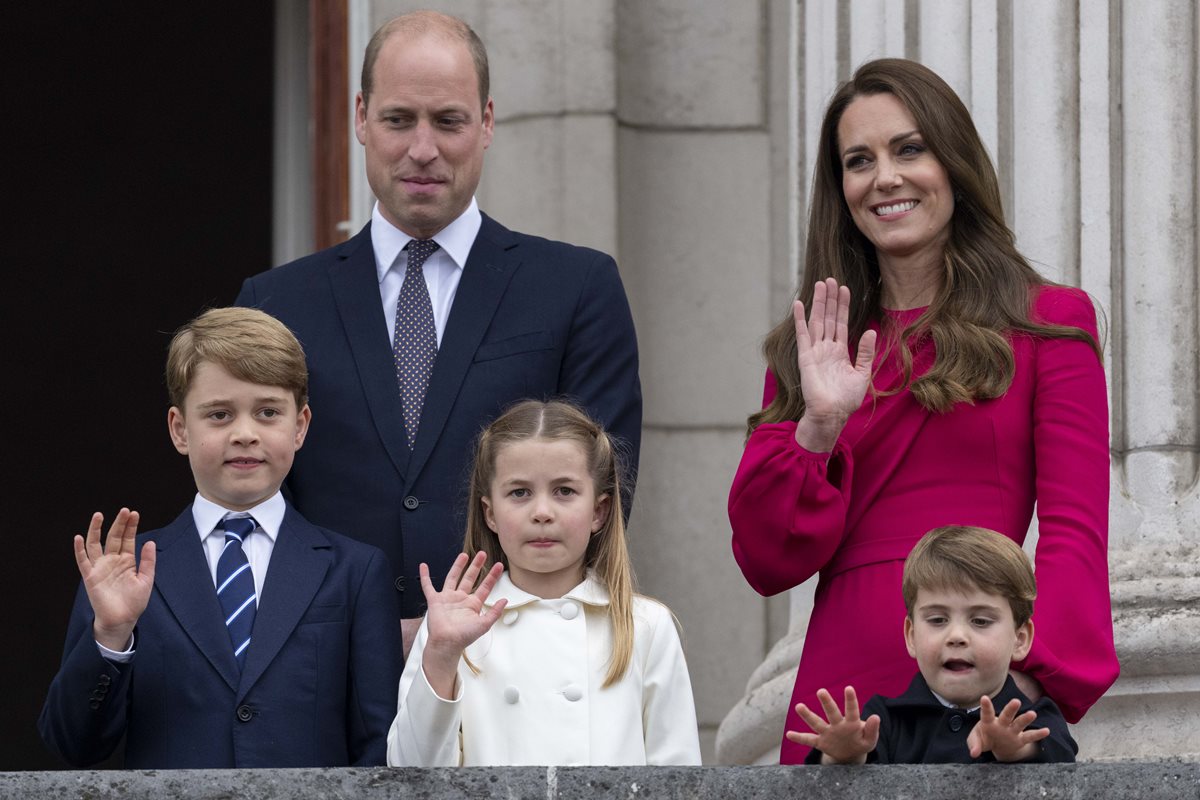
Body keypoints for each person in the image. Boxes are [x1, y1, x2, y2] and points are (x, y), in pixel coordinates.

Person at [727, 58, 1118, 764]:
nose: (885, 178)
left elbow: (1074, 532)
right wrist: (818, 427)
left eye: (909, 149)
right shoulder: (813, 345)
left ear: (953, 162)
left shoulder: (1048, 321)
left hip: (979, 694)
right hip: (841, 697)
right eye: (859, 161)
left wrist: (1026, 681)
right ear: (840, 188)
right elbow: (764, 558)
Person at [235, 11, 641, 658]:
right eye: (399, 120)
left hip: (514, 674)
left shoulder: (576, 289)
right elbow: (252, 507)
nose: (422, 148)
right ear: (361, 118)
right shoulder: (276, 304)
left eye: (447, 121)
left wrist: (459, 634)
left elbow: (598, 498)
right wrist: (361, 636)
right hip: (329, 686)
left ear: (485, 122)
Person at [38, 308, 401, 768]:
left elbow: (380, 748)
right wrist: (111, 636)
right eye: (219, 414)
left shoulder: (355, 571)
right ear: (179, 429)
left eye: (268, 412)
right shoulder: (124, 572)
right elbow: (72, 746)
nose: (244, 434)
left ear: (301, 426)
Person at [387, 400, 700, 766]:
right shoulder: (452, 627)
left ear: (598, 511)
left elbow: (678, 777)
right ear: (490, 513)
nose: (541, 512)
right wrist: (440, 657)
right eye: (519, 492)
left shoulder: (645, 625)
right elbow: (411, 773)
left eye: (564, 491)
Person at [789, 526, 1077, 764]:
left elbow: (1061, 760)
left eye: (980, 621)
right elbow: (848, 782)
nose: (957, 636)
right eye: (938, 620)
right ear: (911, 636)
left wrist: (1015, 748)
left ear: (1020, 639)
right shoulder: (886, 718)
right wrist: (843, 754)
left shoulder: (1035, 715)